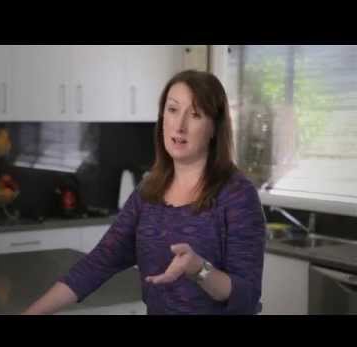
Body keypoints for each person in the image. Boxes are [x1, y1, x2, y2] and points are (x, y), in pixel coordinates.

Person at [22, 70, 266, 315]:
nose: (179, 126)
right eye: (172, 110)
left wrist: (199, 269)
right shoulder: (148, 192)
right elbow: (98, 263)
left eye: (195, 114)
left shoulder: (237, 196)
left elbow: (247, 297)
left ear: (214, 127)